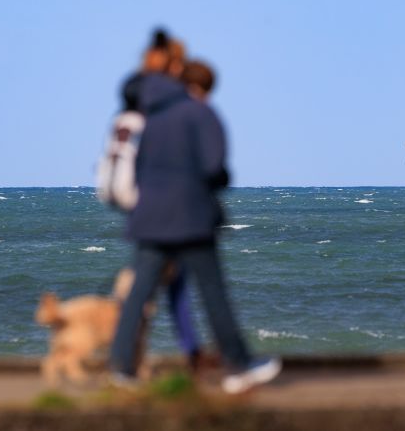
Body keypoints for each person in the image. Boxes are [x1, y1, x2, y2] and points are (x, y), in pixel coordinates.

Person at [109, 36, 280, 394]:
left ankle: (121, 369)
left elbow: (139, 166)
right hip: (190, 216)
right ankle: (239, 367)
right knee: (213, 292)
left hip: (151, 216)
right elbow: (214, 166)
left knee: (139, 294)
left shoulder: (151, 114)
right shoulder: (199, 113)